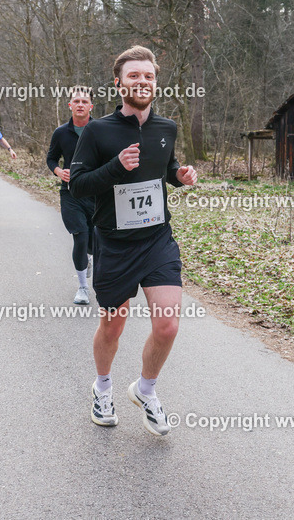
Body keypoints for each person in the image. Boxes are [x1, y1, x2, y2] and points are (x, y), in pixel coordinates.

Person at [69, 45, 197, 436]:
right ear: (118, 83)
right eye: (134, 76)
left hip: (157, 238)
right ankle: (103, 388)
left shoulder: (167, 128)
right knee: (113, 325)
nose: (142, 82)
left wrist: (180, 175)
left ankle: (145, 390)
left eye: (148, 76)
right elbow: (78, 185)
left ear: (155, 82)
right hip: (114, 241)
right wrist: (114, 167)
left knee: (168, 327)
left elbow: (166, 167)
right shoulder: (97, 130)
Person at [46, 87, 95, 305]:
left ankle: (89, 257)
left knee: (94, 242)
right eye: (77, 101)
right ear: (70, 105)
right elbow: (51, 158)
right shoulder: (61, 133)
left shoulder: (100, 129)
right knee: (80, 236)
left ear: (91, 106)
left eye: (85, 101)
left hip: (96, 194)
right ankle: (83, 288)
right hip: (70, 193)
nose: (81, 104)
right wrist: (58, 171)